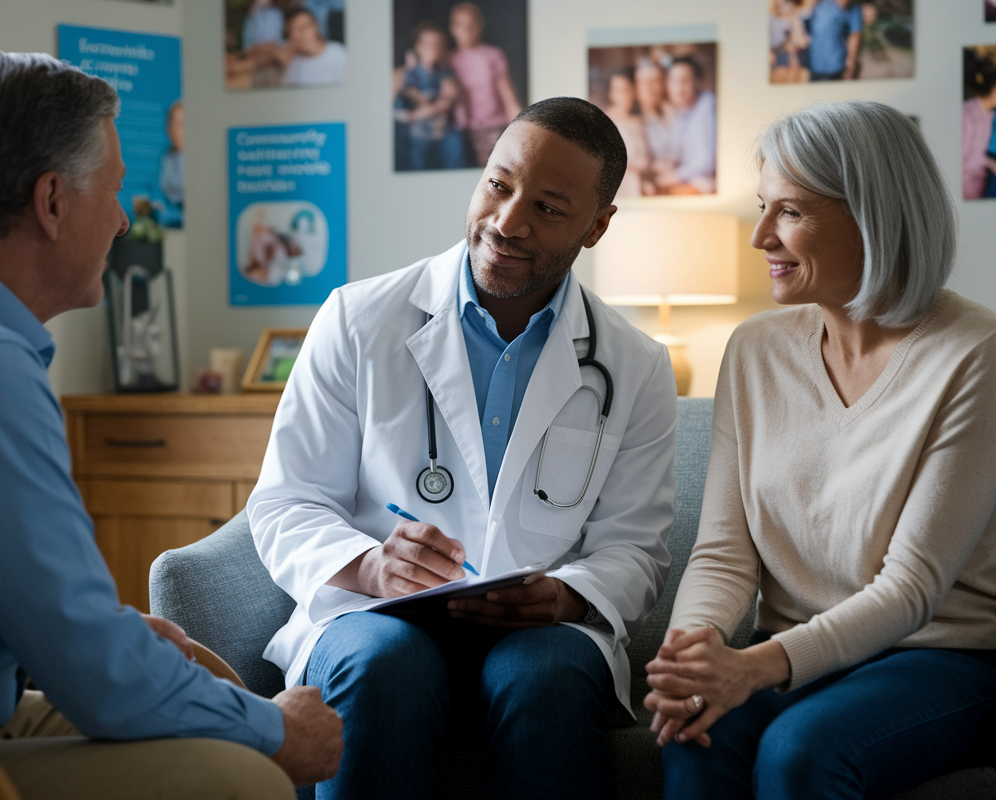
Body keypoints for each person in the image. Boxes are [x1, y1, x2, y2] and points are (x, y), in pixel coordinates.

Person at [0, 52, 342, 799]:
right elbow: (98, 678)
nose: (121, 219)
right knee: (241, 776)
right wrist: (280, 732)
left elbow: (27, 614)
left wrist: (107, 644)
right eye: (114, 190)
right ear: (51, 201)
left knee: (207, 724)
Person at [248, 97, 677, 800]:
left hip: (543, 634)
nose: (507, 224)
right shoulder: (357, 320)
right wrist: (369, 566)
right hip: (371, 617)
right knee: (385, 663)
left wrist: (565, 597)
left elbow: (636, 550)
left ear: (598, 227)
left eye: (548, 208)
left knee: (545, 676)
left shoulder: (634, 366)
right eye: (499, 186)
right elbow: (286, 502)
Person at [645, 100, 996, 799]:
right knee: (695, 738)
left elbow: (913, 586)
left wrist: (757, 666)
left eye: (789, 212)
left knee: (800, 750)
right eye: (764, 207)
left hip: (943, 658)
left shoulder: (978, 350)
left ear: (874, 215)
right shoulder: (754, 351)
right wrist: (692, 659)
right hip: (798, 657)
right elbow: (723, 551)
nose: (760, 236)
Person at [447, 2, 522, 167]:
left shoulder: (493, 55)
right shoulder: (447, 59)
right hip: (460, 133)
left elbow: (508, 98)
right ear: (452, 28)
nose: (466, 29)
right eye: (460, 24)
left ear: (480, 25)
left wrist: (524, 128)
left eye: (471, 24)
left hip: (492, 129)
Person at [393, 23, 466, 171]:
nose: (433, 48)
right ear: (417, 47)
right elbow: (400, 105)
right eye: (428, 43)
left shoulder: (446, 74)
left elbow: (448, 100)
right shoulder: (406, 74)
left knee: (455, 146)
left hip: (441, 130)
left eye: (438, 44)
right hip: (415, 133)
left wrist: (425, 108)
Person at [654, 55, 716, 195]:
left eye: (684, 80)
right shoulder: (679, 113)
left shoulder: (707, 105)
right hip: (692, 180)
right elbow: (678, 155)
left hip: (706, 184)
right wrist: (667, 165)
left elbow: (706, 162)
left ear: (697, 82)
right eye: (673, 81)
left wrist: (675, 175)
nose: (679, 88)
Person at [962, 57, 996, 200]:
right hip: (965, 190)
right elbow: (962, 159)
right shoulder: (967, 113)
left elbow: (982, 153)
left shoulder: (991, 114)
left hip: (981, 187)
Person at [600, 68, 650, 196]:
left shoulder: (638, 122)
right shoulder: (602, 121)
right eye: (619, 90)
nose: (624, 95)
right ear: (611, 93)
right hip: (612, 187)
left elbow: (645, 159)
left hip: (635, 186)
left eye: (627, 89)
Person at [634, 57, 675, 196]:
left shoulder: (674, 113)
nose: (650, 88)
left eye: (655, 81)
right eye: (644, 83)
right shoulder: (632, 123)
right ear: (636, 88)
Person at [278, 8, 346, 87]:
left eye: (303, 28)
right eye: (292, 30)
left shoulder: (338, 52)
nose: (298, 35)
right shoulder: (292, 62)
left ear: (316, 27)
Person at [806, 0, 863, 82]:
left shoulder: (853, 8)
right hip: (814, 64)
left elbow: (855, 35)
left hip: (836, 65)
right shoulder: (821, 4)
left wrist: (851, 63)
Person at [156, 99, 184, 227]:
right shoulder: (166, 157)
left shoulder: (203, 159)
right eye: (176, 124)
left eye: (183, 124)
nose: (179, 130)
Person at [769, 0, 811, 84]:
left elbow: (802, 42)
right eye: (783, 4)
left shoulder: (802, 17)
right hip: (781, 60)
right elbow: (774, 44)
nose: (788, 6)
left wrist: (795, 21)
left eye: (790, 3)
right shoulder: (774, 20)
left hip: (801, 60)